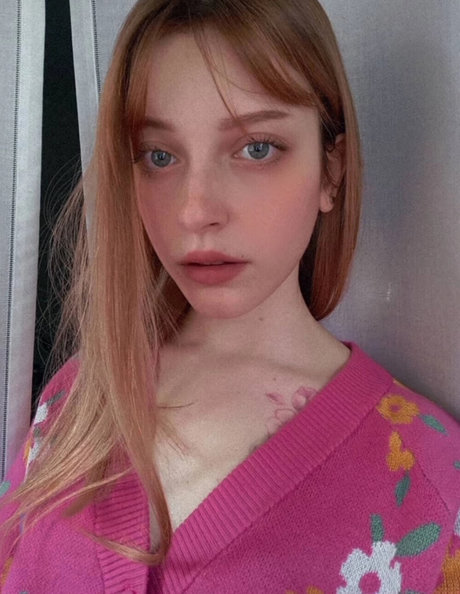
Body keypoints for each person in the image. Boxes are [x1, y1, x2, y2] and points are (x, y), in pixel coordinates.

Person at [1, 0, 460, 591]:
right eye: (159, 156)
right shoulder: (77, 400)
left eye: (256, 148)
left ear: (332, 169)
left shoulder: (430, 478)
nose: (195, 211)